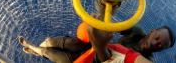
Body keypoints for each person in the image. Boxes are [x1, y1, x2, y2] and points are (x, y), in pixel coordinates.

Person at [18, 24, 152, 63]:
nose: (157, 43)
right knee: (50, 43)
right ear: (152, 32)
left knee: (49, 52)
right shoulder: (137, 32)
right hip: (92, 47)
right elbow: (115, 26)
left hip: (93, 56)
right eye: (158, 37)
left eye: (163, 44)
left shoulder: (144, 58)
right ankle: (38, 50)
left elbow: (108, 58)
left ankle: (30, 46)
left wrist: (100, 44)